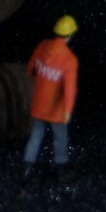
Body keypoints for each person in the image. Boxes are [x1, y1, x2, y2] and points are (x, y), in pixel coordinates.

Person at [23, 14, 79, 176]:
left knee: (36, 135)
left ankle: (28, 165)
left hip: (39, 104)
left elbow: (31, 66)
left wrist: (34, 73)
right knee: (60, 137)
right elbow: (70, 88)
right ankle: (61, 166)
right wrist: (68, 110)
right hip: (56, 110)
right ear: (70, 35)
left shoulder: (42, 46)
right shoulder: (69, 60)